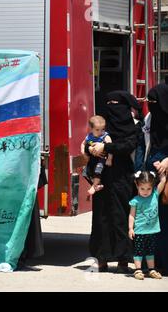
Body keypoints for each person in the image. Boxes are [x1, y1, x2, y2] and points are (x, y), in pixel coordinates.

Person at [88, 91, 142, 273]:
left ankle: (123, 259)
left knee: (121, 216)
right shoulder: (103, 125)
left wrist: (107, 147)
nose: (112, 107)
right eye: (108, 102)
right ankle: (101, 258)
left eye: (116, 103)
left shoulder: (133, 126)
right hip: (102, 176)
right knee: (102, 218)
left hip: (123, 177)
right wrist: (92, 149)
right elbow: (91, 140)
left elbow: (128, 145)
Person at [136, 82, 168, 275]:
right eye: (149, 101)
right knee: (153, 221)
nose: (151, 105)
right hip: (151, 178)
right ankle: (156, 263)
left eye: (155, 101)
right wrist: (140, 172)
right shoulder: (149, 119)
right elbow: (143, 146)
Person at [129, 171, 166, 280]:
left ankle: (151, 270)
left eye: (148, 189)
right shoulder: (135, 201)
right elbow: (131, 215)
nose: (145, 192)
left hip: (152, 230)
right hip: (139, 231)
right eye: (142, 189)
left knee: (150, 251)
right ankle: (138, 270)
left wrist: (163, 176)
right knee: (138, 251)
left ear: (152, 187)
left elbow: (162, 182)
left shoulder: (155, 194)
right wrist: (131, 228)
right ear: (137, 186)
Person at [81, 115, 113, 196]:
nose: (100, 132)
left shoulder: (105, 136)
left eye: (102, 129)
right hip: (92, 159)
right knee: (86, 172)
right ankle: (97, 184)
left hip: (101, 159)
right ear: (91, 129)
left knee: (98, 171)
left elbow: (110, 148)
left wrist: (109, 159)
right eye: (97, 130)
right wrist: (83, 153)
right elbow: (83, 144)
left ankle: (94, 186)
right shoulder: (89, 136)